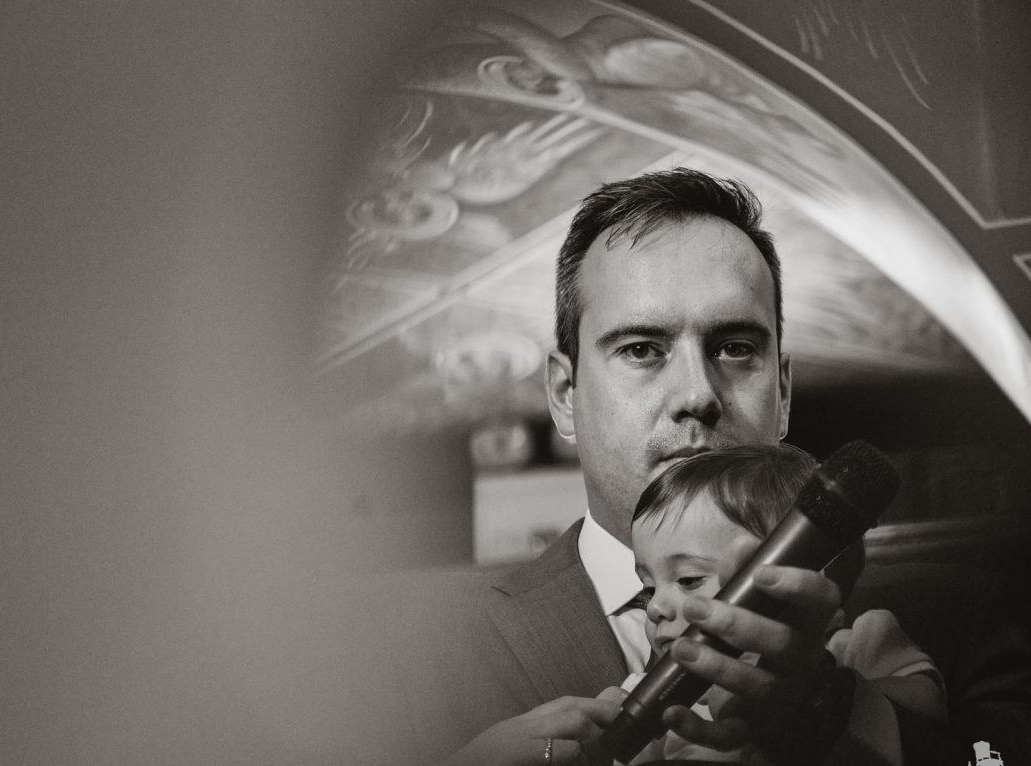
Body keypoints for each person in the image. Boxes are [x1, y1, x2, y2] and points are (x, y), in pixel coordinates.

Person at [366, 168, 1031, 766]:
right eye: (642, 349)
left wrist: (838, 715)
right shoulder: (402, 652)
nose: (698, 394)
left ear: (784, 392)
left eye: (735, 348)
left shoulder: (957, 612)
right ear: (565, 395)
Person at [623, 443, 946, 764]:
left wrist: (831, 691)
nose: (654, 607)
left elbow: (927, 704)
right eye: (649, 588)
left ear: (798, 579)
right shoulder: (643, 694)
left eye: (689, 579)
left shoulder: (855, 646)